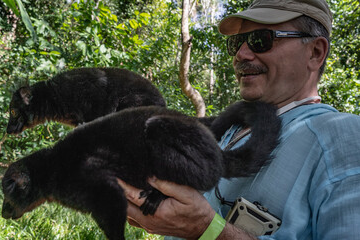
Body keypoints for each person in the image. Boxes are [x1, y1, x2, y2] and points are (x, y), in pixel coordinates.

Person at [118, 0, 360, 239]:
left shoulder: (341, 136)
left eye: (261, 40)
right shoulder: (230, 129)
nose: (241, 55)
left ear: (315, 52)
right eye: (236, 43)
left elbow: (203, 225)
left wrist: (207, 229)